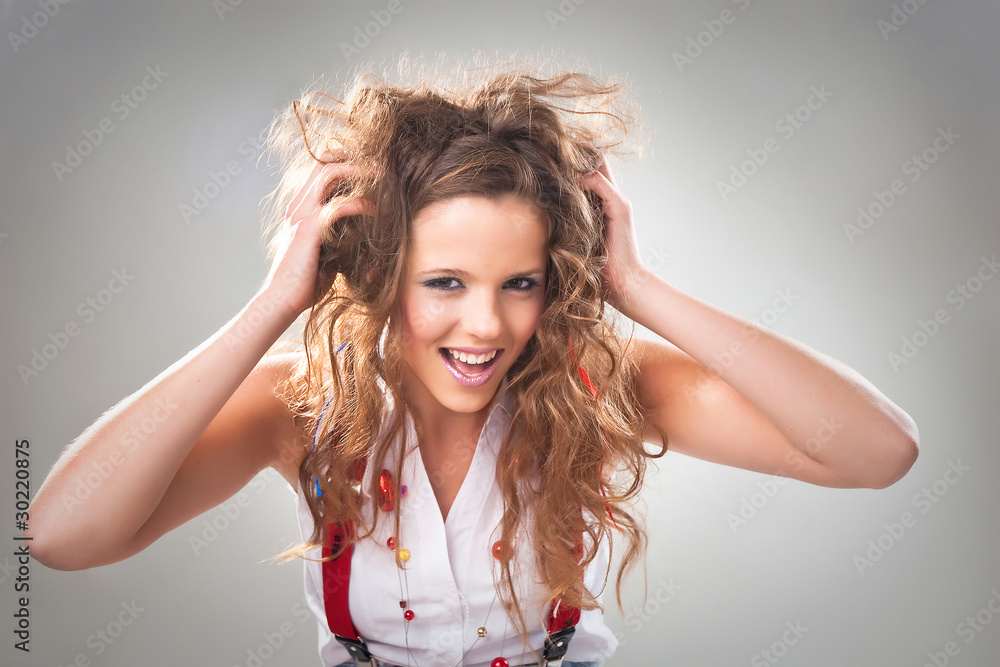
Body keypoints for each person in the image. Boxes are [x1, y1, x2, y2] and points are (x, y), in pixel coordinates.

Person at [26, 56, 919, 667]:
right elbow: (63, 536)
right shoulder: (303, 407)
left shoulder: (603, 384)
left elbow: (877, 451)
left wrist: (637, 287)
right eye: (445, 281)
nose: (486, 324)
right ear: (380, 273)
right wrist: (272, 308)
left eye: (519, 282)